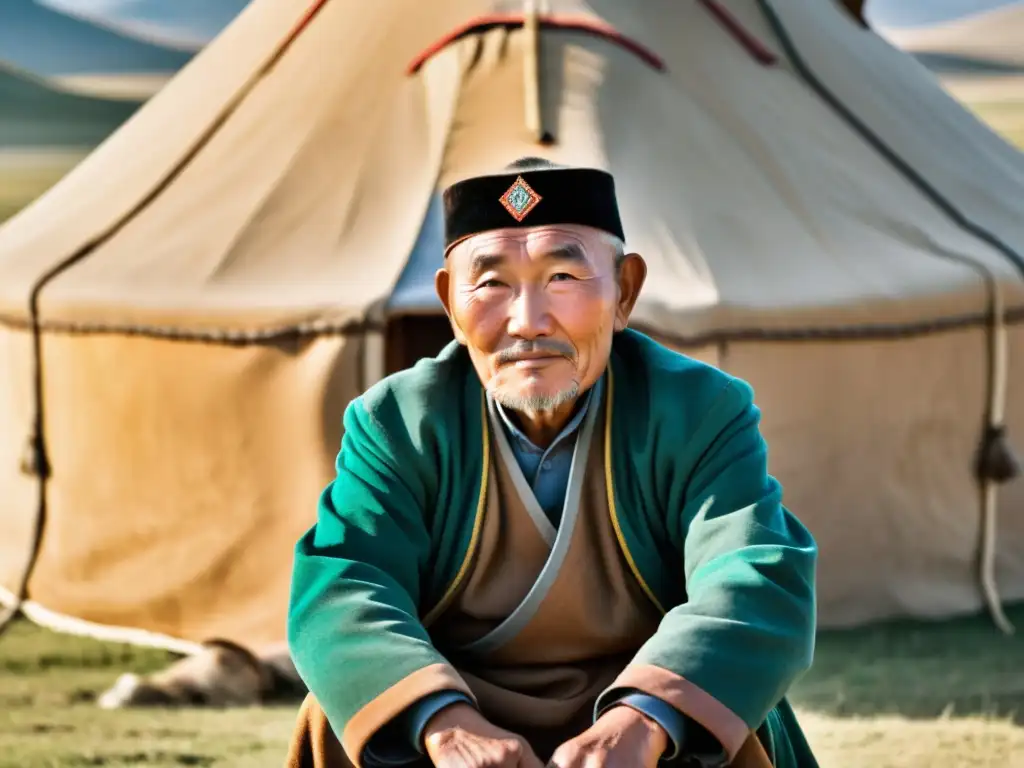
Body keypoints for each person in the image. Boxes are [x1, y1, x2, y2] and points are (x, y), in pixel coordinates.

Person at [284, 158, 820, 768]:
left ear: (624, 292)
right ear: (449, 306)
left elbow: (752, 576)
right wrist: (444, 724)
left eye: (563, 276)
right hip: (458, 703)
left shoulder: (700, 412)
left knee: (720, 722)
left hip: (647, 703)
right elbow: (345, 583)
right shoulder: (398, 423)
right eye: (491, 284)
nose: (528, 321)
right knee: (343, 718)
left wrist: (644, 720)